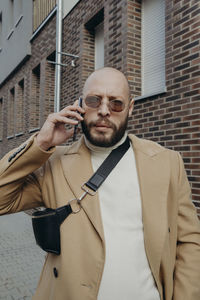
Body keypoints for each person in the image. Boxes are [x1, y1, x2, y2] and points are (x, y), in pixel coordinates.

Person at [0, 67, 200, 300]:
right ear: (80, 104)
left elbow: (189, 241)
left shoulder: (167, 162)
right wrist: (41, 144)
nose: (104, 110)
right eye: (95, 100)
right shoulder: (54, 164)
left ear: (130, 108)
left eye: (116, 103)